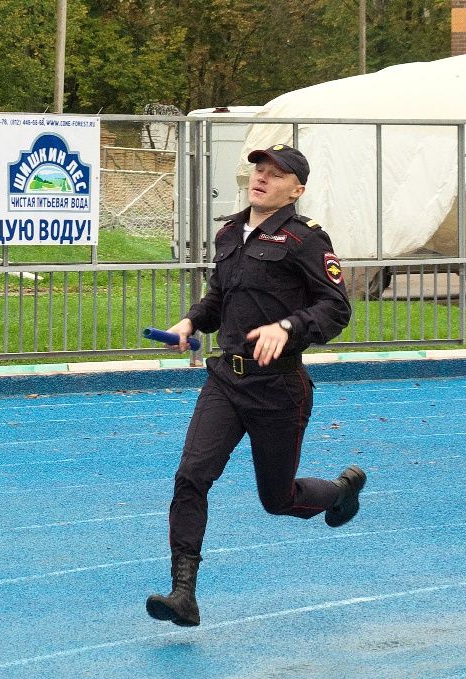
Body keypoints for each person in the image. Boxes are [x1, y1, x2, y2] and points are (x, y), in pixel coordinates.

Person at [145, 144, 366, 627]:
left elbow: (336, 308)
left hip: (278, 389)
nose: (261, 178)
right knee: (191, 477)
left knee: (278, 500)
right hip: (226, 381)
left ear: (297, 190)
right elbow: (219, 298)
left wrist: (287, 327)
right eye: (259, 170)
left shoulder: (307, 239)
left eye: (276, 174)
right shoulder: (230, 233)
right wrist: (189, 323)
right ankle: (183, 594)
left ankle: (341, 491)